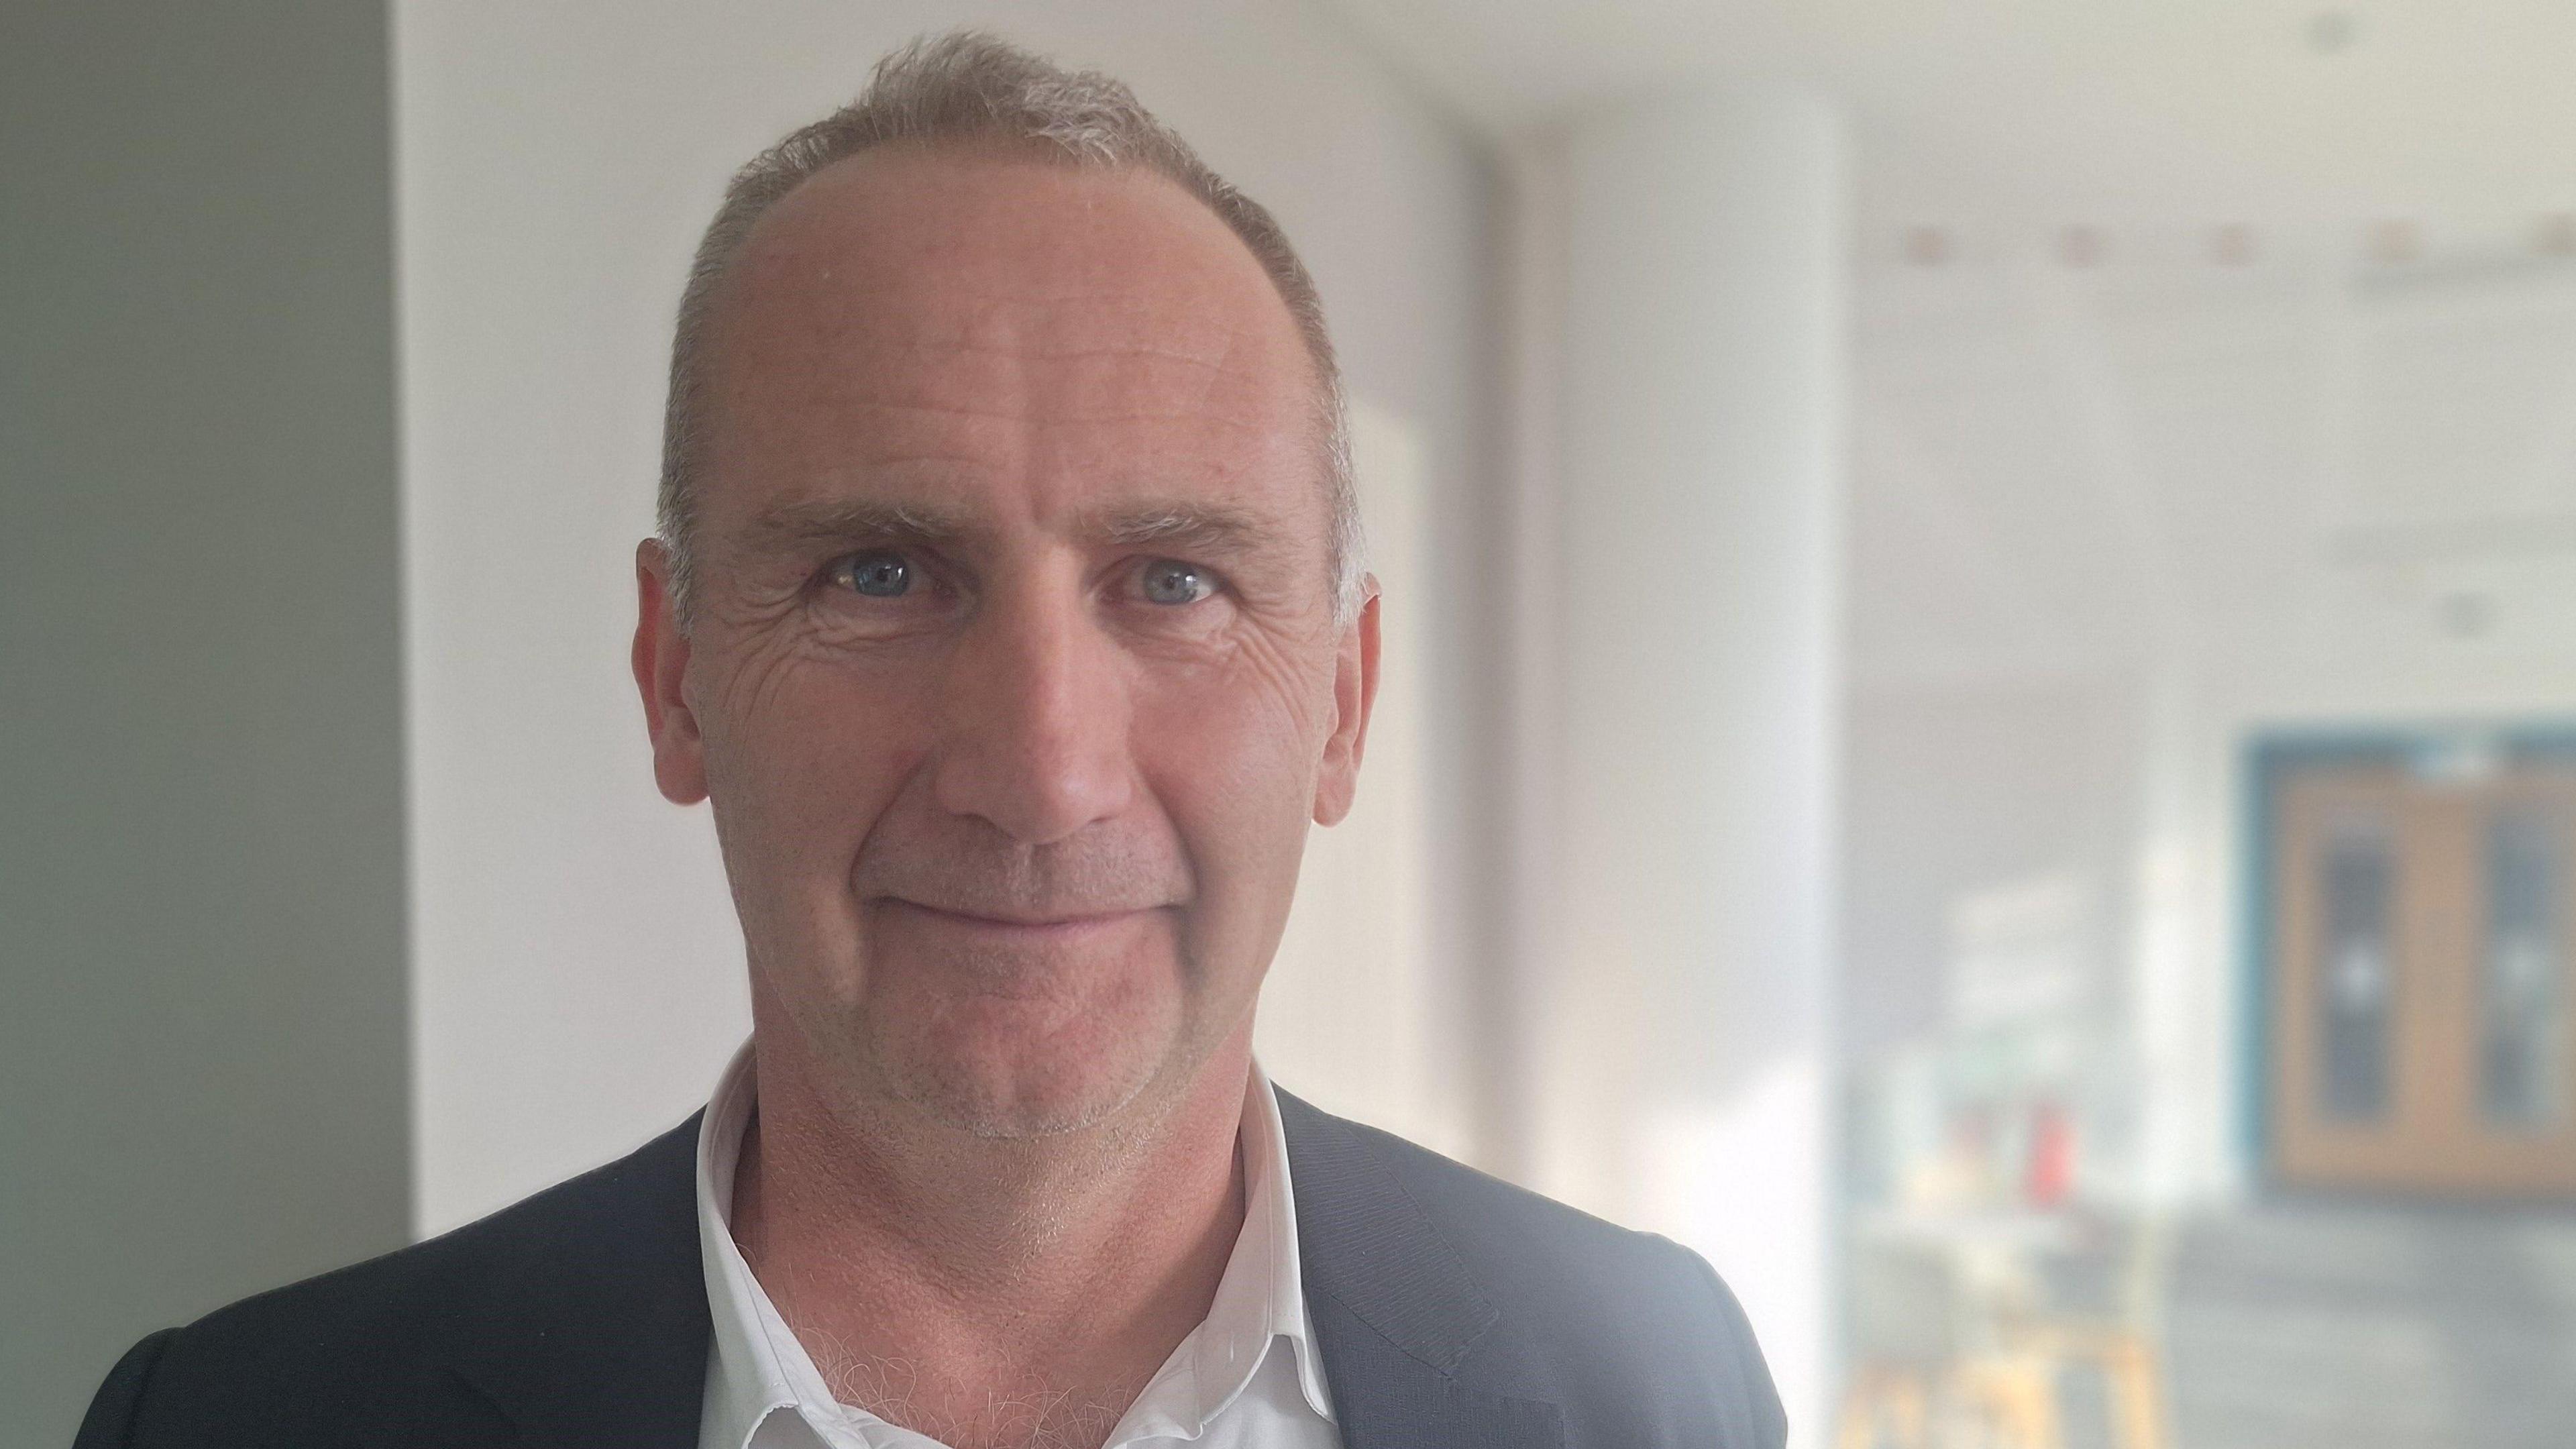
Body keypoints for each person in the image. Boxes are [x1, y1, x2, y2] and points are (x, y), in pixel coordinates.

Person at [74, 31, 1783, 1449]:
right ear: (675, 675)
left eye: (1175, 581)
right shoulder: (234, 1420)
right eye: (878, 573)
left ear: (1342, 701)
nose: (1042, 776)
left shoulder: (1650, 1384)